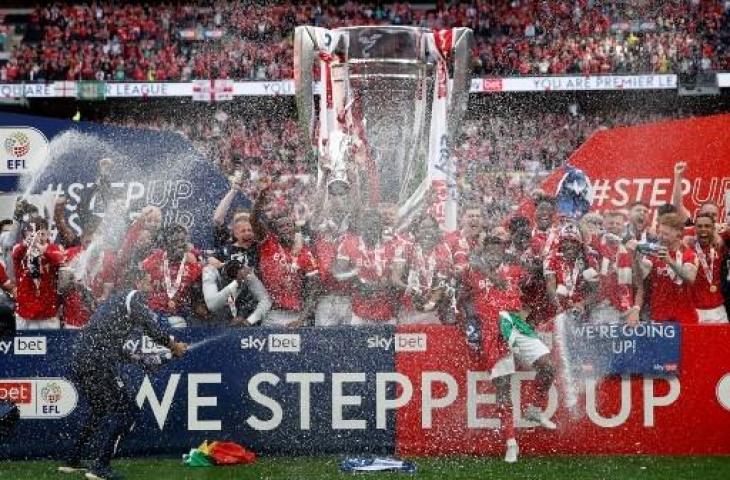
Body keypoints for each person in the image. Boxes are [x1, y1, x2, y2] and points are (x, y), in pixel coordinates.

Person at [59, 269, 187, 480]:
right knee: (127, 411)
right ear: (137, 281)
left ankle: (72, 459)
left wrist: (142, 360)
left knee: (99, 408)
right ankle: (100, 467)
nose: (151, 283)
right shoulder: (132, 296)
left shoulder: (115, 304)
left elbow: (116, 347)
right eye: (148, 279)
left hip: (83, 359)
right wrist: (173, 346)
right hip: (97, 360)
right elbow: (150, 327)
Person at [462, 235, 556, 463]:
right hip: (492, 330)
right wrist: (467, 319)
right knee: (502, 387)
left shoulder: (515, 270)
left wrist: (532, 314)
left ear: (504, 252)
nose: (494, 253)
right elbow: (463, 289)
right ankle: (511, 443)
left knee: (548, 367)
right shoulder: (473, 270)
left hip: (515, 324)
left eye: (499, 250)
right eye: (490, 249)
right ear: (484, 251)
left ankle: (533, 408)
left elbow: (536, 285)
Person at [335, 208, 397, 325]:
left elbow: (398, 275)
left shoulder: (391, 245)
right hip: (359, 311)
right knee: (355, 343)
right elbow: (339, 273)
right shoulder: (349, 243)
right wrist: (359, 283)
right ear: (362, 226)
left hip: (386, 312)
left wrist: (385, 284)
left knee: (389, 343)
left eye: (375, 225)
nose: (371, 229)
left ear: (381, 227)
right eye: (368, 225)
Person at [391, 215, 456, 325]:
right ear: (417, 231)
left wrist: (433, 297)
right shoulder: (407, 248)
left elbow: (446, 281)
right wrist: (409, 289)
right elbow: (395, 278)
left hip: (433, 312)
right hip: (409, 311)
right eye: (424, 228)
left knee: (433, 341)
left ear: (436, 231)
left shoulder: (444, 250)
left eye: (431, 227)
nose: (428, 231)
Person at [638, 213, 698, 324]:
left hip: (685, 318)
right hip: (659, 317)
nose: (660, 236)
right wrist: (635, 258)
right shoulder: (653, 253)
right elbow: (639, 280)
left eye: (665, 233)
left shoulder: (689, 254)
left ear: (678, 234)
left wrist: (669, 261)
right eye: (659, 232)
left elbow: (690, 278)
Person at [141, 224, 203, 328]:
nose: (179, 245)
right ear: (166, 243)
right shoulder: (154, 259)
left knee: (178, 323)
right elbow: (139, 281)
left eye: (182, 241)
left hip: (182, 312)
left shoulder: (193, 263)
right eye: (175, 241)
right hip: (155, 311)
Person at [11, 218, 65, 329]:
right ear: (26, 234)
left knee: (51, 346)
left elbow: (59, 259)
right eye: (34, 234)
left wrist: (42, 249)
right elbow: (16, 255)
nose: (38, 238)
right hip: (25, 313)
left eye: (42, 234)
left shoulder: (54, 248)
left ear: (48, 234)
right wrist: (28, 244)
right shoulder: (20, 248)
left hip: (48, 314)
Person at [591, 210, 642, 325]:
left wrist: (636, 309)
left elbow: (640, 286)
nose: (614, 226)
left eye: (618, 224)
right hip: (602, 308)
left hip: (626, 310)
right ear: (604, 224)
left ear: (623, 227)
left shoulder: (630, 250)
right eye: (611, 223)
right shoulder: (595, 247)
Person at [202, 256, 271, 326]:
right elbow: (212, 305)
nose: (242, 280)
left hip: (237, 310)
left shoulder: (246, 273)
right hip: (205, 313)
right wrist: (236, 283)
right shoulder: (210, 271)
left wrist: (249, 321)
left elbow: (266, 300)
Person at [689, 213, 728, 323]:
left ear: (713, 228)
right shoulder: (688, 247)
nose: (703, 229)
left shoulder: (720, 246)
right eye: (700, 226)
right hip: (695, 310)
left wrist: (719, 234)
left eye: (707, 226)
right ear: (694, 228)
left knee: (722, 341)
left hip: (718, 310)